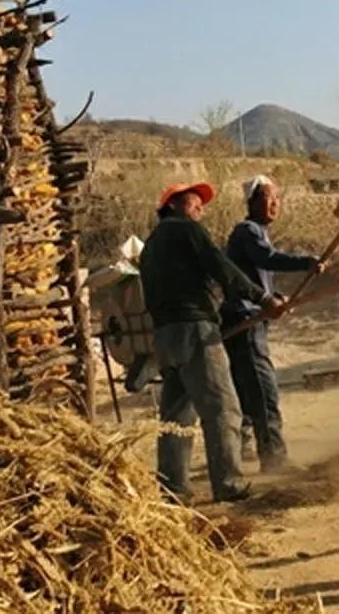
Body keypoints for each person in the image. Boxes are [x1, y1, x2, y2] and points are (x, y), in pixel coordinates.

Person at [139, 182, 288, 503]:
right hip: (195, 329)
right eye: (195, 204)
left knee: (176, 415)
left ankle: (173, 489)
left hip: (165, 335)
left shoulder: (151, 244)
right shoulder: (187, 231)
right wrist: (262, 298)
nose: (200, 210)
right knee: (223, 408)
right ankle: (229, 484)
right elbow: (222, 267)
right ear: (175, 205)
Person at [223, 175, 323, 472]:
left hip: (249, 317)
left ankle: (241, 450)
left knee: (246, 389)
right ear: (252, 201)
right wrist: (306, 262)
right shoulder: (248, 231)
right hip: (245, 319)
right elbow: (266, 259)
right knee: (263, 388)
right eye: (269, 198)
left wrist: (275, 296)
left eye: (277, 198)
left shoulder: (257, 232)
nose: (275, 204)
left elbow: (255, 276)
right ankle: (274, 459)